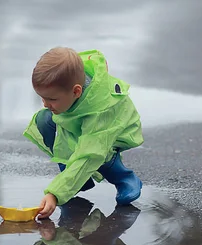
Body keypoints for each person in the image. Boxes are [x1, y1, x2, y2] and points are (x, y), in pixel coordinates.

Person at [23, 47, 144, 219]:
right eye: (42, 98)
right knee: (44, 121)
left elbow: (90, 154)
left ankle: (124, 178)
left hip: (114, 130)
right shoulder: (66, 86)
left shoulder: (101, 111)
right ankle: (77, 179)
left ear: (76, 91)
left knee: (96, 153)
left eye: (51, 99)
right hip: (76, 117)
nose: (45, 103)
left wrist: (55, 194)